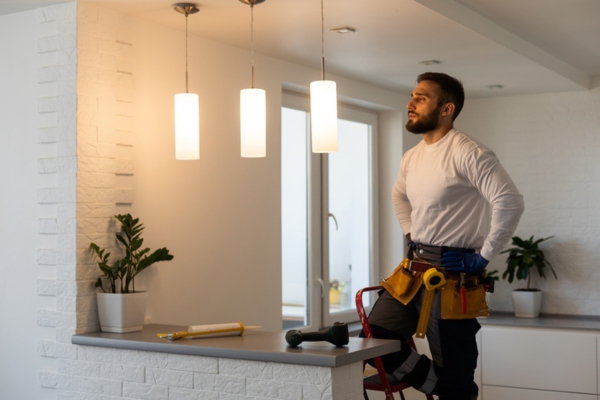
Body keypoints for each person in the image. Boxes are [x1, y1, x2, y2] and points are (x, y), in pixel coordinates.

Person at [361, 72, 524, 400]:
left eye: (420, 98)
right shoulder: (412, 156)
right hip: (413, 266)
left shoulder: (470, 153)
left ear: (446, 109)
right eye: (412, 95)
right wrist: (410, 232)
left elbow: (510, 201)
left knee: (456, 361)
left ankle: (453, 386)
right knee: (373, 340)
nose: (410, 103)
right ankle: (445, 386)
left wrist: (483, 256)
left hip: (454, 271)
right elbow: (398, 196)